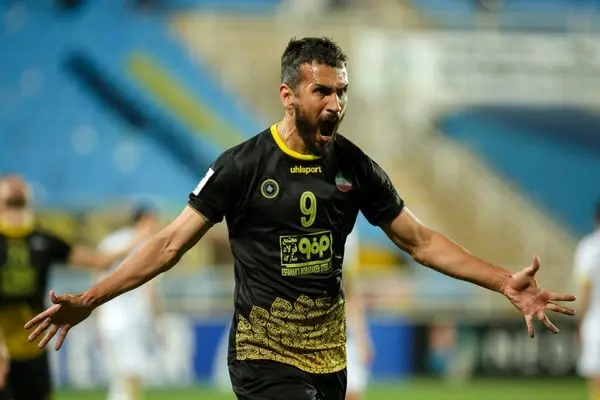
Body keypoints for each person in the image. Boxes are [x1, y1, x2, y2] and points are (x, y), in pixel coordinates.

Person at [24, 37, 576, 400]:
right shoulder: (241, 166)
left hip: (329, 358)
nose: (336, 104)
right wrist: (91, 298)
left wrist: (502, 280)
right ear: (288, 95)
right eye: (323, 92)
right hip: (263, 356)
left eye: (342, 92)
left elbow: (421, 241)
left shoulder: (355, 166)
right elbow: (169, 245)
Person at [0, 174, 147, 400]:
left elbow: (100, 261)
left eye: (19, 184)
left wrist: (138, 238)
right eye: (8, 184)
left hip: (33, 347)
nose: (15, 184)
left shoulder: (43, 240)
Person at [95, 204, 163, 400]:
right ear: (144, 220)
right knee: (133, 371)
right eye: (153, 220)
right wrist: (158, 319)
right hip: (133, 317)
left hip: (109, 316)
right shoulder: (148, 245)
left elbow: (96, 274)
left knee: (120, 374)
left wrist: (97, 315)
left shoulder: (111, 241)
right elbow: (150, 288)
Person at [574, 199, 600, 400]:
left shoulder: (589, 248)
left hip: (595, 322)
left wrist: (579, 323)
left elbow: (586, 290)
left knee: (596, 381)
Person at [343, 227, 372, 400]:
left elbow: (352, 292)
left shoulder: (349, 233)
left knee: (353, 392)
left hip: (346, 337)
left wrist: (363, 337)